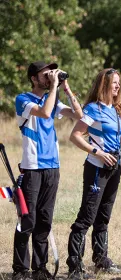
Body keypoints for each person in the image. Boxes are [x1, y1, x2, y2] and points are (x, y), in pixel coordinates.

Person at [66, 68, 121, 279]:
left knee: (103, 217)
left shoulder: (115, 109)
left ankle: (101, 261)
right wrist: (98, 152)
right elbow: (75, 136)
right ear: (104, 85)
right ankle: (75, 267)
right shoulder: (93, 109)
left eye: (119, 82)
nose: (118, 86)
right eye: (114, 83)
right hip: (97, 168)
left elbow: (115, 139)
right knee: (86, 217)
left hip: (115, 167)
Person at [13, 61, 83, 280]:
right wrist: (53, 87)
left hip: (52, 165)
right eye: (45, 75)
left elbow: (78, 115)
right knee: (28, 219)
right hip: (32, 166)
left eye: (51, 74)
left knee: (44, 218)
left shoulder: (53, 99)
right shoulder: (23, 99)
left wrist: (66, 88)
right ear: (34, 78)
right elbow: (44, 113)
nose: (49, 77)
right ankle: (20, 269)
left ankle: (40, 267)